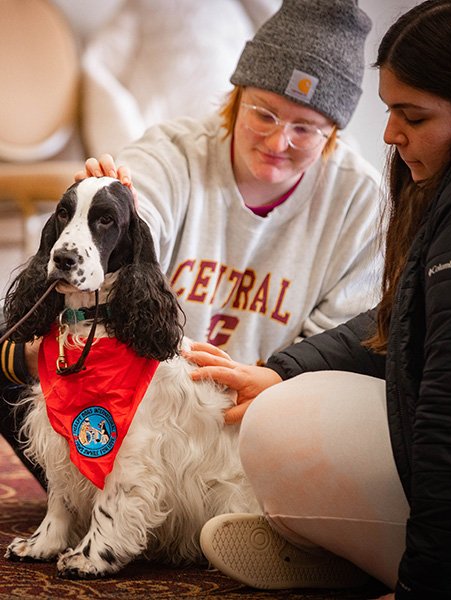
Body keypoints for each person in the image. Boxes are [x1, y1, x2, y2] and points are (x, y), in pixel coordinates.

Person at [185, 1, 451, 598]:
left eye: (411, 115)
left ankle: (362, 551)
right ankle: (344, 543)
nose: (389, 133)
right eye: (264, 114)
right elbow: (400, 324)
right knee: (284, 400)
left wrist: (431, 586)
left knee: (278, 426)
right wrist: (281, 371)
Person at [1, 2, 380, 482]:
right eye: (264, 114)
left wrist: (272, 381)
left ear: (332, 136)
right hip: (143, 393)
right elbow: (144, 206)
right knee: (10, 351)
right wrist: (112, 212)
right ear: (236, 97)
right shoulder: (175, 149)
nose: (278, 142)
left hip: (256, 412)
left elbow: (342, 341)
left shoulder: (360, 199)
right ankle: (99, 496)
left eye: (305, 129)